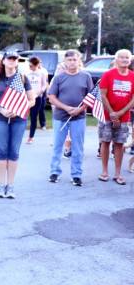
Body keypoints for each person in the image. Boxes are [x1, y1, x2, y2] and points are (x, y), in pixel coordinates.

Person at [0, 51, 35, 198]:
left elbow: (32, 100)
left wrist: (20, 108)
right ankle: (1, 185)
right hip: (0, 118)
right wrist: (1, 109)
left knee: (14, 151)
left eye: (15, 59)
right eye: (10, 58)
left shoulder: (23, 78)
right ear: (4, 61)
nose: (12, 61)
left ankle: (10, 185)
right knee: (2, 150)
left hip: (18, 118)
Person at [47, 50, 93, 186]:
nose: (72, 62)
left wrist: (80, 109)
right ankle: (54, 172)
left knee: (78, 147)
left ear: (79, 61)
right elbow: (51, 97)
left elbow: (90, 97)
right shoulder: (59, 78)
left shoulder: (86, 76)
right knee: (57, 145)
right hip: (60, 116)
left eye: (74, 59)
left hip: (79, 117)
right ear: (65, 62)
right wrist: (66, 108)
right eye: (69, 60)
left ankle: (76, 174)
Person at [98, 49, 134, 185]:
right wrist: (112, 113)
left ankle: (117, 174)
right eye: (122, 57)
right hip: (107, 116)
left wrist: (120, 113)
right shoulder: (108, 74)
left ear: (130, 60)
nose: (125, 60)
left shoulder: (133, 76)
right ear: (117, 59)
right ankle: (104, 172)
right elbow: (103, 95)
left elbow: (133, 99)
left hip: (124, 117)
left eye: (127, 58)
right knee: (105, 142)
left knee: (119, 144)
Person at [26, 56, 48, 143]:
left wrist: (39, 93)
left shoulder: (41, 73)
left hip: (37, 98)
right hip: (27, 97)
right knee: (21, 116)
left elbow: (44, 85)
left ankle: (31, 137)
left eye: (31, 66)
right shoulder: (27, 73)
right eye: (29, 65)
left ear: (37, 65)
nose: (30, 67)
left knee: (33, 117)